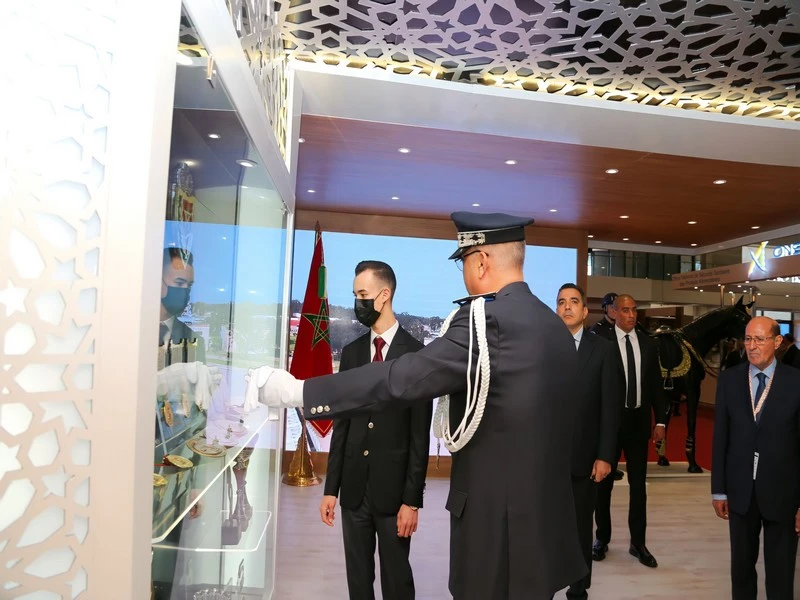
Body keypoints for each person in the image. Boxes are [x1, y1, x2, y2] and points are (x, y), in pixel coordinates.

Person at [248, 212, 586, 599]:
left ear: (481, 261)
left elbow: (401, 378)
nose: (464, 272)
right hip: (546, 525)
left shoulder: (485, 321)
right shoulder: (555, 327)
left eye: (463, 262)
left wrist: (299, 392)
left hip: (496, 530)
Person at [320, 260, 432, 600]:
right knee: (358, 581)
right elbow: (342, 426)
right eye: (355, 295)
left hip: (394, 493)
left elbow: (419, 435)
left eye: (363, 294)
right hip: (353, 491)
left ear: (384, 296)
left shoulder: (415, 355)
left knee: (397, 581)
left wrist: (411, 501)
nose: (358, 302)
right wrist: (331, 489)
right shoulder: (353, 353)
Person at [711, 317, 800, 600]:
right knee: (741, 571)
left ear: (776, 342)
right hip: (740, 493)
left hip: (783, 494)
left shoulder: (796, 382)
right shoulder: (729, 379)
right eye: (748, 339)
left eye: (759, 339)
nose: (752, 346)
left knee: (781, 574)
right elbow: (720, 438)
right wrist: (719, 489)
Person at [555, 283, 622, 600]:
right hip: (546, 460)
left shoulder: (603, 350)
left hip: (584, 459)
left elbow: (611, 408)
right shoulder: (544, 349)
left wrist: (605, 456)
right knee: (547, 528)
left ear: (584, 311)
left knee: (581, 528)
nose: (567, 307)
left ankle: (578, 588)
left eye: (573, 302)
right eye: (561, 302)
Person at [592, 294, 667, 568]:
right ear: (614, 312)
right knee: (604, 486)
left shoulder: (648, 343)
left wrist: (661, 421)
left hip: (638, 425)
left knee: (639, 488)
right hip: (609, 426)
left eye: (634, 310)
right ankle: (602, 539)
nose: (631, 315)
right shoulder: (601, 342)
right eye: (625, 310)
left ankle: (638, 544)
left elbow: (657, 387)